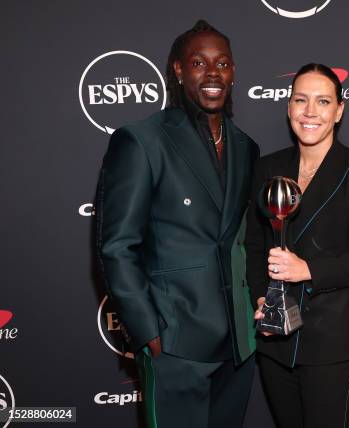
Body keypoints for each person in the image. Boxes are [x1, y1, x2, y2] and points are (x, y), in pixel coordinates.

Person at [96, 20, 259, 428]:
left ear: (234, 72)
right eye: (199, 62)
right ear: (178, 70)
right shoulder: (141, 140)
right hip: (175, 340)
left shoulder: (246, 146)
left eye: (222, 63)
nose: (213, 73)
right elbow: (117, 245)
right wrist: (147, 330)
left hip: (238, 345)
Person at [245, 63, 349, 428]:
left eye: (323, 101)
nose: (310, 112)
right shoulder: (267, 167)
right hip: (277, 341)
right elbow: (254, 243)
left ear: (339, 110)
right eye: (301, 100)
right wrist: (263, 301)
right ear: (289, 107)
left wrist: (307, 269)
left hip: (335, 340)